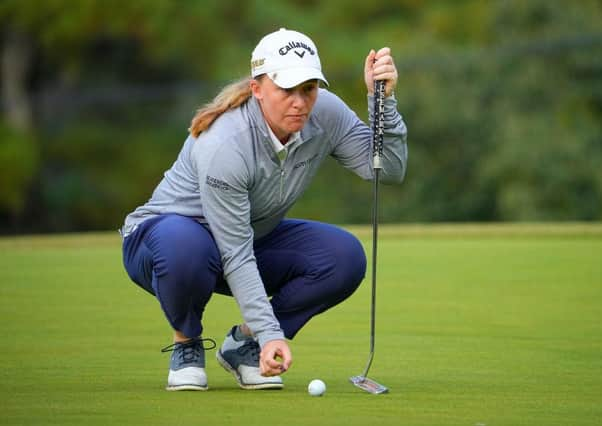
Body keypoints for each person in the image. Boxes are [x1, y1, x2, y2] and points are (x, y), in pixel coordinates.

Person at [120, 28, 407, 391]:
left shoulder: (325, 113)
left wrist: (382, 102)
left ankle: (246, 347)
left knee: (343, 257)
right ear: (257, 89)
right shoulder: (225, 142)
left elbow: (388, 170)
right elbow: (235, 252)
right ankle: (187, 344)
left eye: (309, 88)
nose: (300, 102)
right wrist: (275, 332)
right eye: (286, 90)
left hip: (245, 237)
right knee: (185, 247)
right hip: (161, 243)